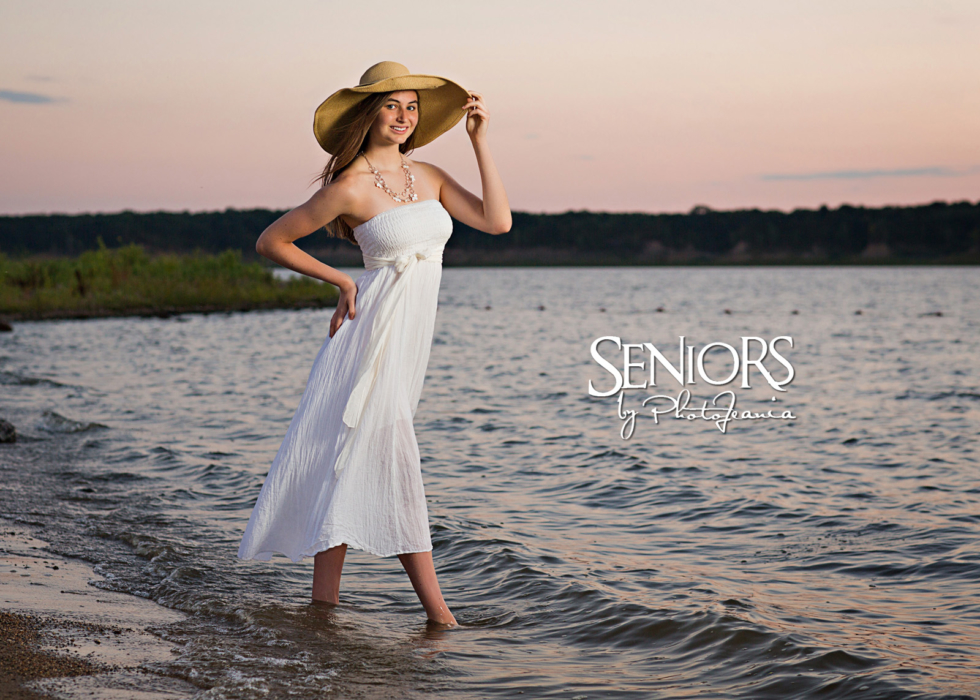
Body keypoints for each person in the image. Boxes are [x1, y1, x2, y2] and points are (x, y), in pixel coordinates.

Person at [237, 61, 510, 627]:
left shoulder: (429, 175)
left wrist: (480, 142)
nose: (404, 117)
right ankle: (440, 616)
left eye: (412, 107)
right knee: (391, 458)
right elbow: (272, 240)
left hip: (409, 344)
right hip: (371, 341)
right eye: (392, 106)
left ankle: (322, 607)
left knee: (346, 460)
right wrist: (341, 280)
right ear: (368, 114)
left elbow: (497, 221)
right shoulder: (351, 187)